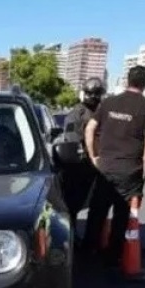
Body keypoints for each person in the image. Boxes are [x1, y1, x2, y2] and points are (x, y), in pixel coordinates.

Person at [83, 65, 145, 267]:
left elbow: (90, 128)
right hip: (130, 170)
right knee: (121, 214)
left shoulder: (109, 102)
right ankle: (113, 254)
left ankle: (88, 250)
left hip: (105, 167)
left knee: (97, 211)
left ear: (127, 80)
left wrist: (94, 156)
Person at [58, 77, 106, 245]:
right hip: (79, 167)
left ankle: (92, 240)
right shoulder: (76, 114)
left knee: (97, 206)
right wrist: (87, 157)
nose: (93, 97)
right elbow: (72, 143)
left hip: (100, 166)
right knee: (73, 205)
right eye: (90, 93)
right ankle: (70, 237)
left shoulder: (103, 112)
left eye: (97, 94)